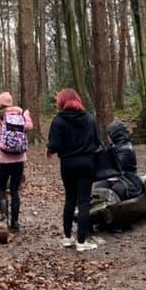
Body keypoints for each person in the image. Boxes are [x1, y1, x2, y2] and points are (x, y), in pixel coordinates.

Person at [47, 88, 102, 252]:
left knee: (70, 199)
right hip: (87, 163)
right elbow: (97, 142)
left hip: (68, 164)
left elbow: (54, 145)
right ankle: (82, 241)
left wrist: (50, 149)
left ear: (61, 102)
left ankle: (67, 237)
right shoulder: (89, 118)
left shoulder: (58, 120)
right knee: (84, 201)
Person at [0, 91, 33, 232]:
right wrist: (27, 116)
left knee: (1, 189)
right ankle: (15, 222)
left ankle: (4, 217)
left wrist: (0, 137)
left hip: (3, 160)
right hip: (19, 159)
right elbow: (29, 127)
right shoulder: (20, 115)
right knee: (15, 190)